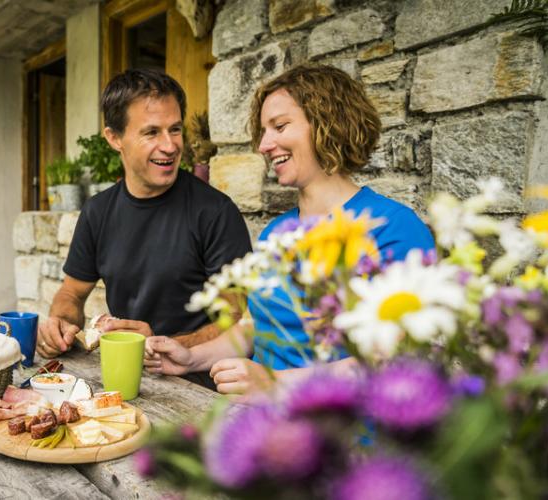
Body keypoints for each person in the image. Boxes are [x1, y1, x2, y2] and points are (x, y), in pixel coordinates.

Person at [144, 64, 435, 394]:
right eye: (264, 131)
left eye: (279, 126)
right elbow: (254, 328)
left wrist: (274, 385)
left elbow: (395, 359)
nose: (264, 145)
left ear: (329, 123)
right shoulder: (276, 233)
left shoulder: (395, 228)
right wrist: (191, 357)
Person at [37, 69, 252, 386]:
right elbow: (72, 291)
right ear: (114, 138)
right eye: (151, 132)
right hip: (123, 378)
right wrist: (61, 324)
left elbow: (236, 317)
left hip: (201, 387)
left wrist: (164, 343)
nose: (169, 146)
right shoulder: (97, 211)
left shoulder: (216, 212)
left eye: (175, 129)